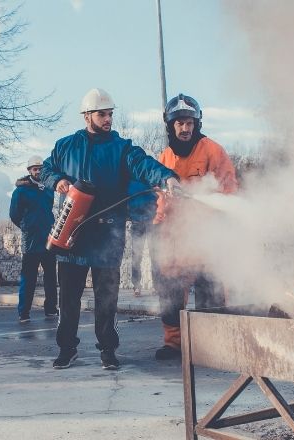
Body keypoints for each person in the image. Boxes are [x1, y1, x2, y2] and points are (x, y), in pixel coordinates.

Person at [41, 88, 180, 370]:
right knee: (68, 300)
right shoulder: (64, 146)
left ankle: (108, 349)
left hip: (108, 235)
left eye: (110, 114)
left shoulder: (122, 149)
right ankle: (66, 348)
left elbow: (144, 165)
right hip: (73, 235)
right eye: (102, 114)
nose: (107, 119)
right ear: (86, 116)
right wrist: (55, 180)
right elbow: (45, 169)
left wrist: (167, 178)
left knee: (107, 299)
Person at [152, 93, 239, 361]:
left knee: (210, 289)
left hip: (206, 235)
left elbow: (228, 190)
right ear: (170, 126)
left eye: (189, 122)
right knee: (169, 291)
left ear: (197, 123)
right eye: (179, 123)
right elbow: (158, 199)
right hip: (174, 236)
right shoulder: (163, 158)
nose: (185, 128)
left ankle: (209, 342)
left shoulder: (213, 151)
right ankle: (174, 343)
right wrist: (159, 226)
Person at [10, 155, 58, 323]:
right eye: (35, 169)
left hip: (48, 240)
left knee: (51, 277)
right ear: (29, 171)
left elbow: (48, 210)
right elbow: (14, 215)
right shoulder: (20, 191)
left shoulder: (48, 189)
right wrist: (27, 227)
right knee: (28, 278)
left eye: (40, 168)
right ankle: (24, 312)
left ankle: (51, 309)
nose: (38, 171)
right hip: (31, 241)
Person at [126, 180, 157, 297]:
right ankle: (136, 286)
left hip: (152, 221)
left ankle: (156, 286)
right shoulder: (130, 180)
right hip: (136, 221)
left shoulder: (151, 178)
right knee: (136, 255)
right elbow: (126, 199)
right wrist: (129, 216)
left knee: (155, 254)